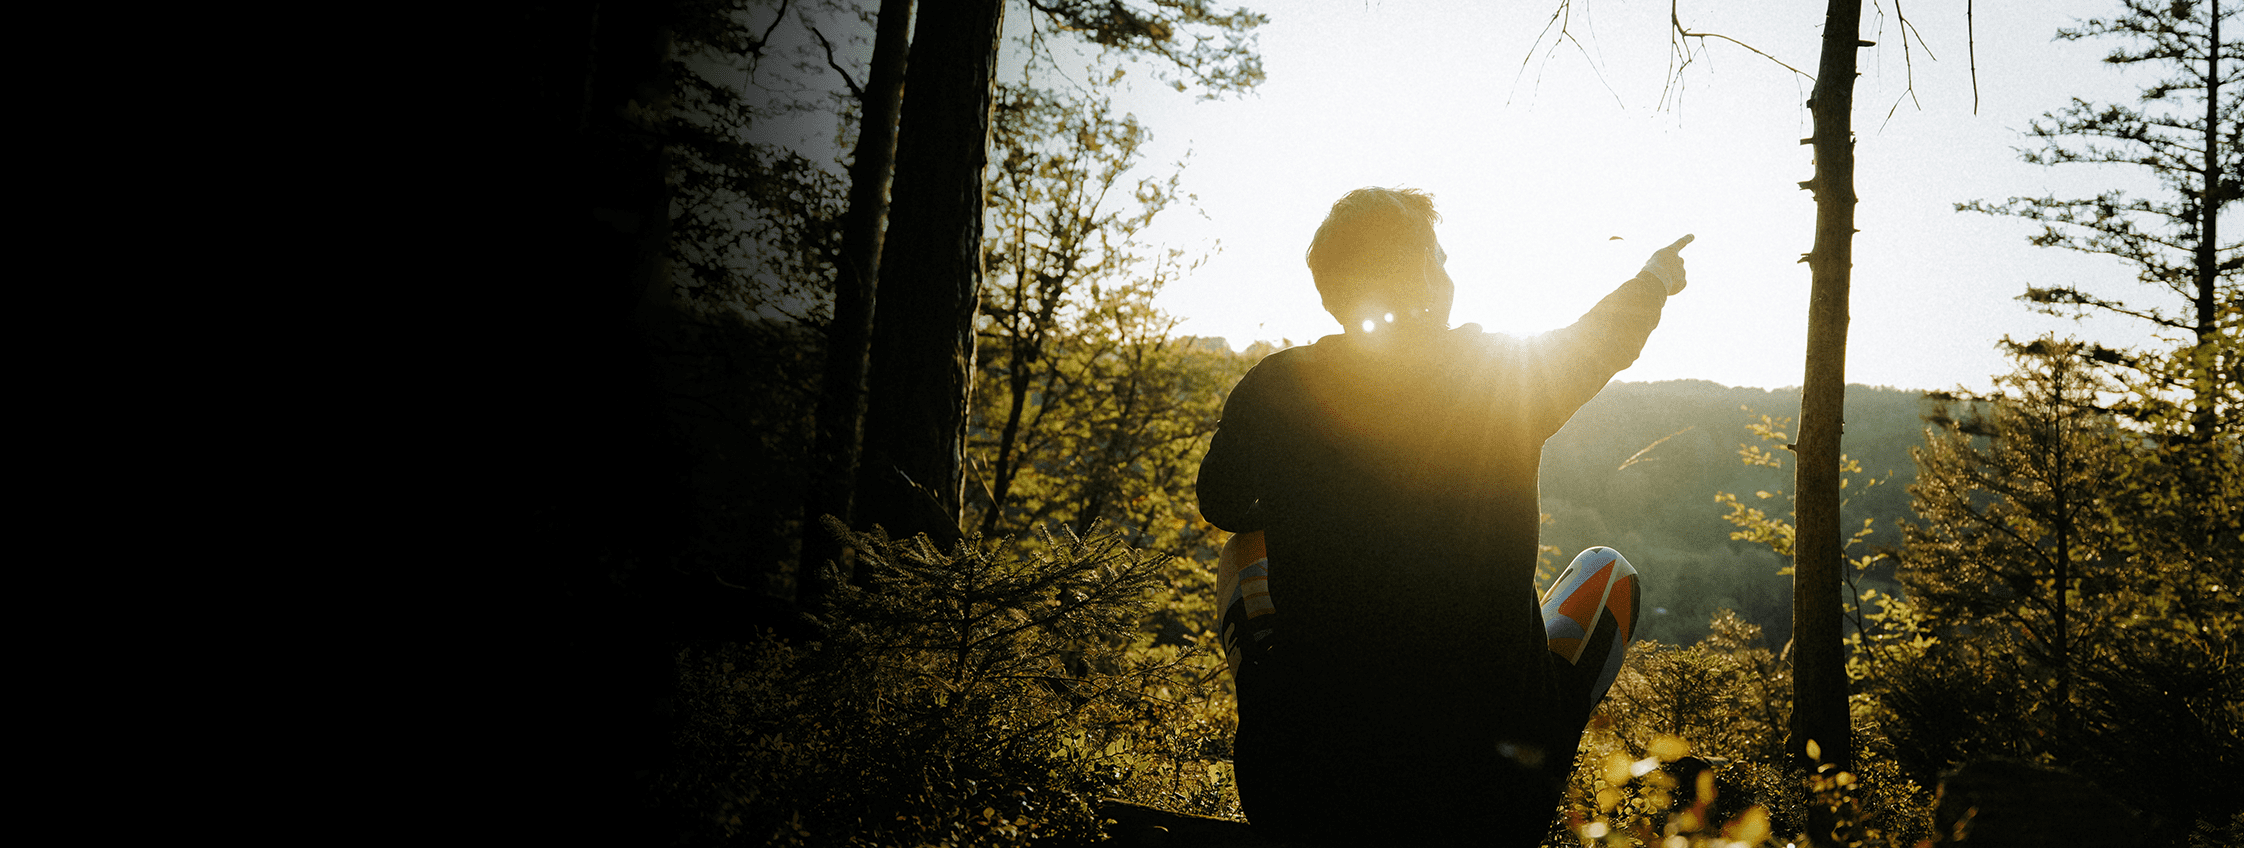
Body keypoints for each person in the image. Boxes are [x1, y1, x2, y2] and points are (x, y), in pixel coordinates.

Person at [1196, 186, 1692, 845]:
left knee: (1245, 548)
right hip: (1488, 803)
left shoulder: (1274, 385)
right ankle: (1548, 728)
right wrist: (1655, 278)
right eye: (1441, 256)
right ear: (1428, 276)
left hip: (1299, 789)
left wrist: (1314, 500)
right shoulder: (1496, 374)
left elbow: (1221, 505)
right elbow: (1603, 339)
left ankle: (1273, 690)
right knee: (1608, 574)